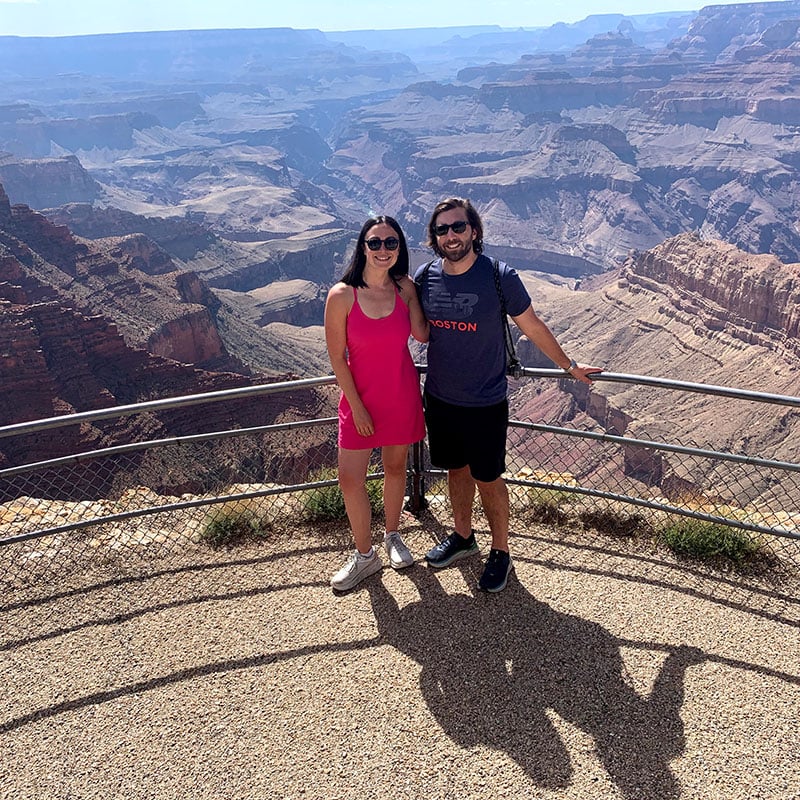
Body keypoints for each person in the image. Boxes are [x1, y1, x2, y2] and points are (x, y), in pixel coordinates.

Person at [414, 197, 601, 593]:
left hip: (485, 400)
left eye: (458, 227)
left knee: (489, 477)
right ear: (433, 237)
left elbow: (531, 325)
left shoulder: (499, 276)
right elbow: (410, 326)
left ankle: (501, 551)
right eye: (442, 229)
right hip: (442, 397)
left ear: (474, 231)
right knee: (455, 470)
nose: (450, 235)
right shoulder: (424, 276)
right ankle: (463, 537)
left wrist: (569, 367)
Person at [325, 215, 428, 591]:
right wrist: (359, 407)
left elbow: (421, 334)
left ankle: (393, 535)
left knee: (396, 468)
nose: (383, 250)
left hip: (400, 394)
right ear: (362, 247)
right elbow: (337, 358)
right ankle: (364, 555)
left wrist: (414, 293)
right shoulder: (342, 296)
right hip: (359, 400)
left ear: (399, 249)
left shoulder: (404, 290)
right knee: (350, 478)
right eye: (375, 242)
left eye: (391, 243)